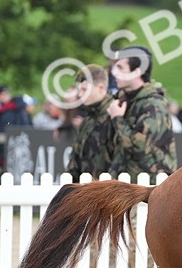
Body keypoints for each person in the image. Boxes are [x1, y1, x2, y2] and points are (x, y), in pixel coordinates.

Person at [106, 46, 176, 178]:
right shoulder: (124, 100)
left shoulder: (153, 105)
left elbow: (140, 147)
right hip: (126, 184)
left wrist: (117, 119)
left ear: (137, 72)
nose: (114, 72)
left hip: (148, 187)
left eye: (120, 68)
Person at [66, 65, 115, 179]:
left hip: (109, 189)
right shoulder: (88, 120)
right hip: (86, 190)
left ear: (101, 88)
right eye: (79, 90)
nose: (79, 94)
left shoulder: (115, 116)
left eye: (84, 89)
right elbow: (75, 159)